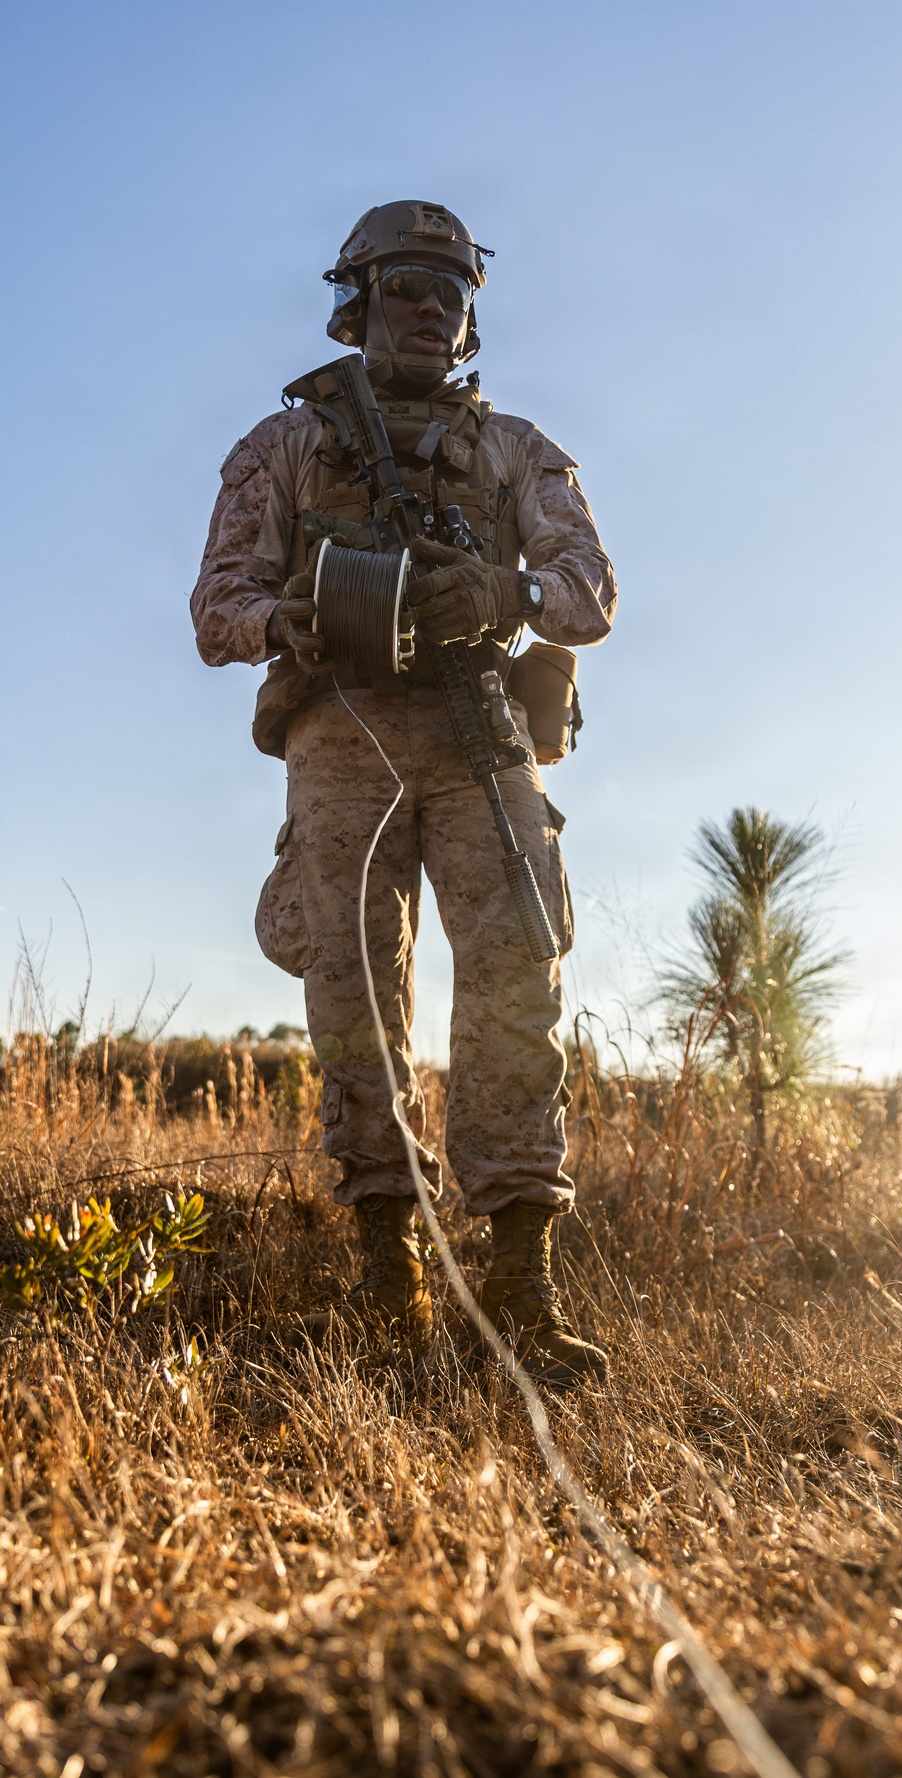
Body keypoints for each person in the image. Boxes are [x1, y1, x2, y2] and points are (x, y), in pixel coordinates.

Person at [191, 201, 617, 1386]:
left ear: (471, 319)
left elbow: (589, 589)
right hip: (343, 738)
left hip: (481, 735)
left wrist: (505, 595)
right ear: (356, 300)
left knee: (511, 986)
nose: (430, 310)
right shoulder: (282, 448)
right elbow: (213, 607)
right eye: (405, 288)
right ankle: (391, 1275)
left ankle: (522, 1287)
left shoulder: (519, 449)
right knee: (357, 1000)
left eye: (452, 294)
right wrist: (292, 614)